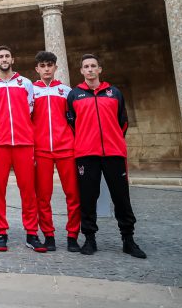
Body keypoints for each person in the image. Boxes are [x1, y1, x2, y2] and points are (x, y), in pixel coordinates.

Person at [67, 54, 146, 258]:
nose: (90, 69)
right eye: (86, 66)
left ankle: (128, 239)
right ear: (82, 71)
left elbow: (123, 121)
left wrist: (114, 140)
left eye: (94, 66)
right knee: (88, 198)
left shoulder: (115, 93)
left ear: (100, 69)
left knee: (121, 197)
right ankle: (89, 239)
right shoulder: (74, 95)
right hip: (86, 153)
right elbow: (71, 123)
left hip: (113, 153)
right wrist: (85, 140)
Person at [0, 46, 46, 252]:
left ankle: (32, 233)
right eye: (1, 56)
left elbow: (30, 110)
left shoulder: (25, 83)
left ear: (13, 60)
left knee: (28, 189)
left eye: (7, 56)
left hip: (24, 142)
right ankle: (1, 232)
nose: (4, 59)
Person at [32, 51, 81, 252]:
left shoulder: (66, 91)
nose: (46, 69)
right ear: (37, 69)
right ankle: (49, 235)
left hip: (66, 148)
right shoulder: (31, 90)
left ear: (55, 67)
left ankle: (72, 236)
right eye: (42, 65)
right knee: (43, 196)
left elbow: (75, 119)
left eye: (49, 65)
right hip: (41, 149)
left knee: (73, 194)